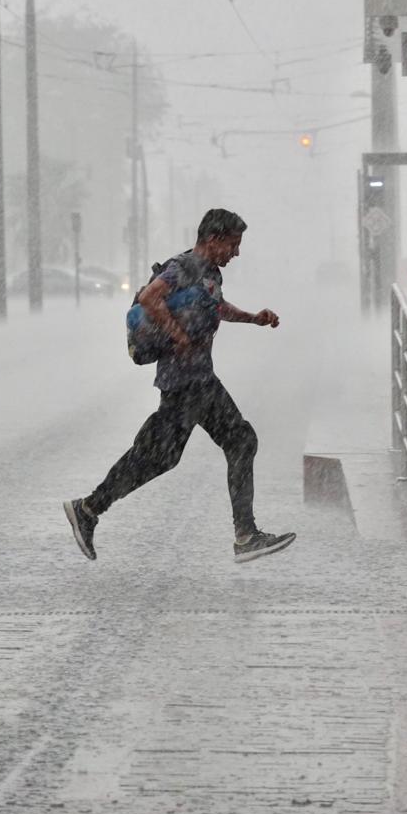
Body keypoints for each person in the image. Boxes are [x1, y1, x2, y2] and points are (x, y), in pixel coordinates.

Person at [63, 208, 296, 564]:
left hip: (195, 379)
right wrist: (177, 335)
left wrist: (252, 318)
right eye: (233, 245)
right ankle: (245, 535)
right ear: (213, 239)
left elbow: (215, 307)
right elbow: (149, 297)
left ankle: (90, 508)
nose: (236, 253)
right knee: (226, 443)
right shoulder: (185, 267)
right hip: (186, 381)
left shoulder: (208, 273)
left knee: (164, 456)